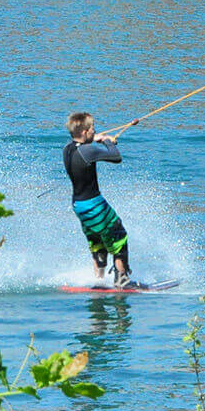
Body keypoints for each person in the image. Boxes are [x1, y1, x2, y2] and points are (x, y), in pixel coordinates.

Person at [62, 111, 139, 287]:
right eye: (92, 129)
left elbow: (82, 145)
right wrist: (107, 141)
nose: (93, 131)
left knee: (97, 240)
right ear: (84, 132)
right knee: (119, 235)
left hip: (79, 206)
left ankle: (99, 278)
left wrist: (95, 138)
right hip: (94, 204)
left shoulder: (67, 149)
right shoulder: (88, 151)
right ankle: (122, 279)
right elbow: (115, 157)